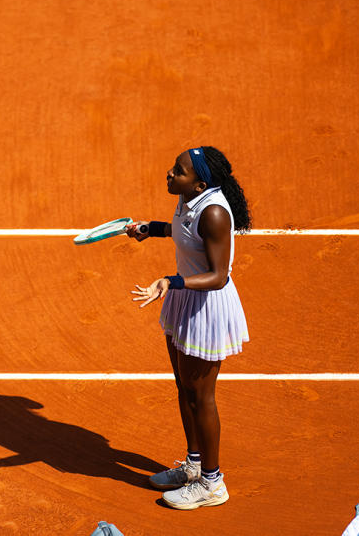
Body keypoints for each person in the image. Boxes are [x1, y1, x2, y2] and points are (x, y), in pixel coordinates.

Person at [126, 146, 251, 510]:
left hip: (205, 305)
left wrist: (170, 282)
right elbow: (184, 232)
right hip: (184, 297)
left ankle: (212, 484)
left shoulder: (213, 213)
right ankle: (194, 467)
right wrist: (152, 229)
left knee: (202, 396)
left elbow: (218, 276)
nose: (169, 174)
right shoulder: (189, 199)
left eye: (178, 172)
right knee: (184, 388)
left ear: (199, 184)